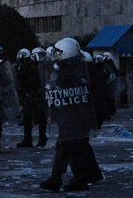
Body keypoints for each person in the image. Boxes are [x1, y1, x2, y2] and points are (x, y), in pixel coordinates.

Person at [40, 39, 103, 192]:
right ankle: (76, 179)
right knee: (73, 147)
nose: (55, 55)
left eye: (58, 53)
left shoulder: (73, 72)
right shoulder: (73, 69)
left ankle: (62, 180)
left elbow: (64, 93)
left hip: (73, 117)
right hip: (70, 116)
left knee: (68, 146)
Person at [17, 48, 47, 148]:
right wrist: (24, 92)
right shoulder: (25, 67)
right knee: (27, 119)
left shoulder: (45, 67)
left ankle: (42, 139)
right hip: (29, 96)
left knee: (42, 119)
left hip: (40, 96)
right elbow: (19, 81)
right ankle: (27, 140)